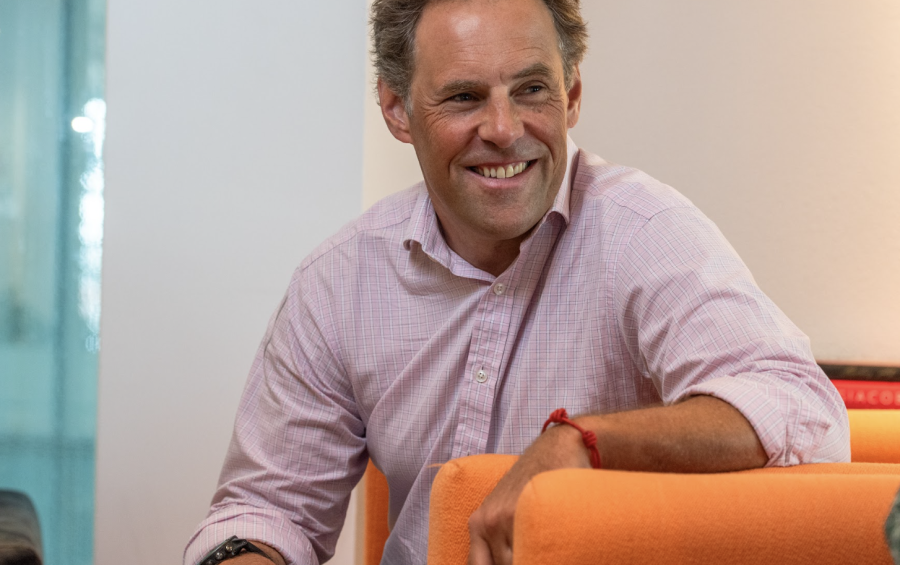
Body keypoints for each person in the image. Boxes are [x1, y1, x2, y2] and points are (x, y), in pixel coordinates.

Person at [184, 0, 850, 564]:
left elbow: (801, 410)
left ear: (573, 94)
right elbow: (269, 511)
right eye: (464, 97)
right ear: (396, 108)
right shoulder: (338, 281)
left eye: (531, 90)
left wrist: (582, 442)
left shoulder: (645, 232)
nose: (504, 131)